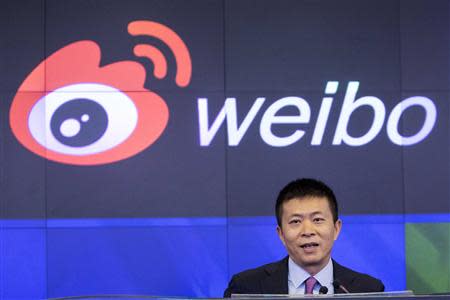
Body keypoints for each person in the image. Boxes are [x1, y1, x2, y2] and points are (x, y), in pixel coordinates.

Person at [224, 178, 384, 296]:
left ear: (336, 228)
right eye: (295, 221)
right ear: (281, 234)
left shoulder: (368, 290)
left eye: (317, 220)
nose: (307, 231)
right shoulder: (246, 287)